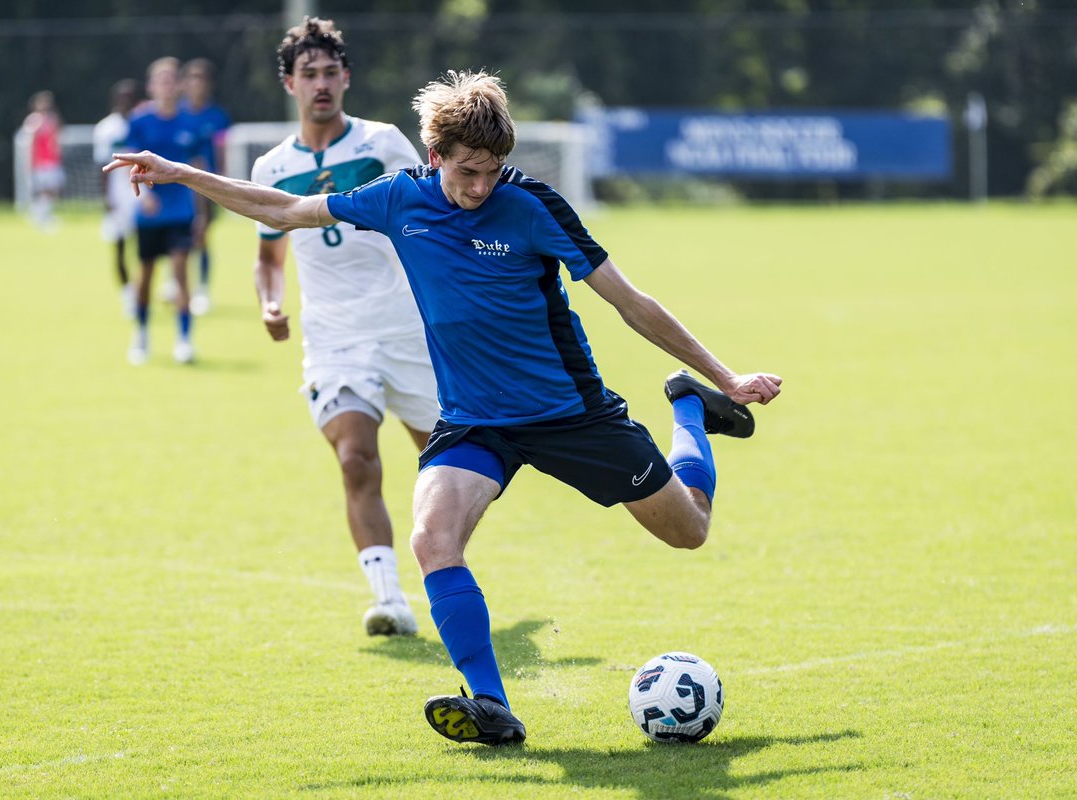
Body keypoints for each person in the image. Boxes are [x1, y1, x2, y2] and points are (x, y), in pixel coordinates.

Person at [105, 70, 782, 746]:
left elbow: (631, 303)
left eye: (491, 171)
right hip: (475, 421)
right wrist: (180, 173)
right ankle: (490, 705)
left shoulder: (533, 206)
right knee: (432, 539)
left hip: (570, 415)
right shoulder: (400, 200)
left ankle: (691, 408)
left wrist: (724, 374)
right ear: (435, 158)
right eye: (466, 171)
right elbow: (284, 210)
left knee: (689, 530)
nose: (480, 186)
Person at [249, 17, 436, 635]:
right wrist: (271, 303)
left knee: (450, 464)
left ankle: (446, 563)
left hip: (407, 329)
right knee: (357, 458)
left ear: (347, 77)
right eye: (309, 74)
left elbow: (430, 222)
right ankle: (390, 600)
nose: (321, 84)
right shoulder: (272, 168)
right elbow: (268, 258)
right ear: (290, 84)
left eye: (331, 72)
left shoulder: (384, 144)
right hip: (334, 337)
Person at [124, 57, 209, 365]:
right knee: (145, 278)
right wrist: (142, 197)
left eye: (172, 79)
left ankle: (184, 340)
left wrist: (201, 213)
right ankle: (141, 335)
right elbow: (128, 163)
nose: (167, 85)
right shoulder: (139, 121)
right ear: (151, 86)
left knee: (180, 274)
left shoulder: (192, 122)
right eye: (161, 79)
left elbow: (200, 170)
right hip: (149, 215)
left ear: (180, 85)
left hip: (181, 213)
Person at [179, 58, 232, 316]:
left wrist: (220, 184)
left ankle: (202, 289)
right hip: (178, 187)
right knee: (177, 237)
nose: (196, 83)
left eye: (201, 78)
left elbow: (221, 152)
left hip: (206, 186)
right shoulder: (177, 113)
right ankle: (177, 284)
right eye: (192, 77)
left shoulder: (217, 116)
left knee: (201, 236)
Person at [93, 79, 142, 317]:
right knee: (120, 247)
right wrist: (105, 197)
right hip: (118, 195)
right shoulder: (106, 129)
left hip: (143, 195)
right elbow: (100, 165)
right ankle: (127, 296)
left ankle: (144, 292)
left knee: (145, 248)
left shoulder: (143, 123)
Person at [22, 91, 64, 232]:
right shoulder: (33, 121)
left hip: (52, 161)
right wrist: (31, 162)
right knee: (43, 190)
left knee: (52, 190)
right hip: (40, 162)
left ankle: (41, 214)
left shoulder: (53, 119)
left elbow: (56, 139)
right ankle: (40, 216)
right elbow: (31, 143)